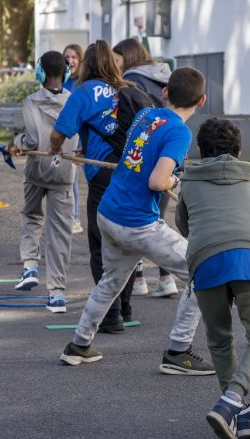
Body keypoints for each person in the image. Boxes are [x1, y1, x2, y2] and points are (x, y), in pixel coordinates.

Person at [56, 66, 214, 376]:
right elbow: (157, 182)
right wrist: (178, 184)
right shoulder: (179, 132)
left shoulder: (145, 116)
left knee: (111, 280)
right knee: (204, 270)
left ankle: (78, 345)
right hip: (136, 223)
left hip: (108, 212)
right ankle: (178, 351)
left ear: (165, 92)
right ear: (202, 101)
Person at [176, 117, 250, 439]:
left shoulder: (188, 180)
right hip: (248, 258)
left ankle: (240, 415)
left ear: (200, 151)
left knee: (220, 339)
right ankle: (232, 400)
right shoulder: (248, 177)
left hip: (206, 261)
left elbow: (183, 226)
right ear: (239, 150)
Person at [50, 41, 146, 333]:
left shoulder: (83, 92)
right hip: (134, 174)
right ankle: (126, 306)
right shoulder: (132, 90)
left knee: (100, 244)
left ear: (87, 64)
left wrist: (56, 149)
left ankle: (111, 313)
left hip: (103, 179)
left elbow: (60, 133)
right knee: (127, 239)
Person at [7, 51, 77, 313]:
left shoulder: (31, 101)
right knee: (60, 232)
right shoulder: (73, 100)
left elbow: (34, 140)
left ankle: (30, 266)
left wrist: (16, 143)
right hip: (64, 173)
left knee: (31, 216)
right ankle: (57, 293)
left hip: (37, 170)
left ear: (40, 72)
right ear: (66, 72)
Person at [114, 38, 177, 299]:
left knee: (139, 220)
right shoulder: (162, 75)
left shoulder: (132, 81)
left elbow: (135, 123)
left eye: (117, 59)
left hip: (143, 157)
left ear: (127, 58)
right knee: (157, 219)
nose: (114, 65)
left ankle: (139, 278)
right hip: (169, 153)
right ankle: (166, 277)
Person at [63, 43, 85, 235]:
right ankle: (70, 217)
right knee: (68, 179)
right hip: (65, 136)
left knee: (74, 179)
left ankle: (76, 218)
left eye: (74, 57)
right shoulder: (62, 81)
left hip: (80, 136)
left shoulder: (82, 83)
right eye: (67, 57)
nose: (70, 61)